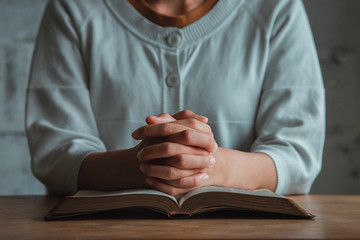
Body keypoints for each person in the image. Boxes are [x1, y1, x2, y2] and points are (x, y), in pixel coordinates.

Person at [25, 0, 325, 196]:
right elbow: (56, 152)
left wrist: (209, 165)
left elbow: (297, 153)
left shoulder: (276, 7)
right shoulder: (74, 8)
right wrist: (144, 164)